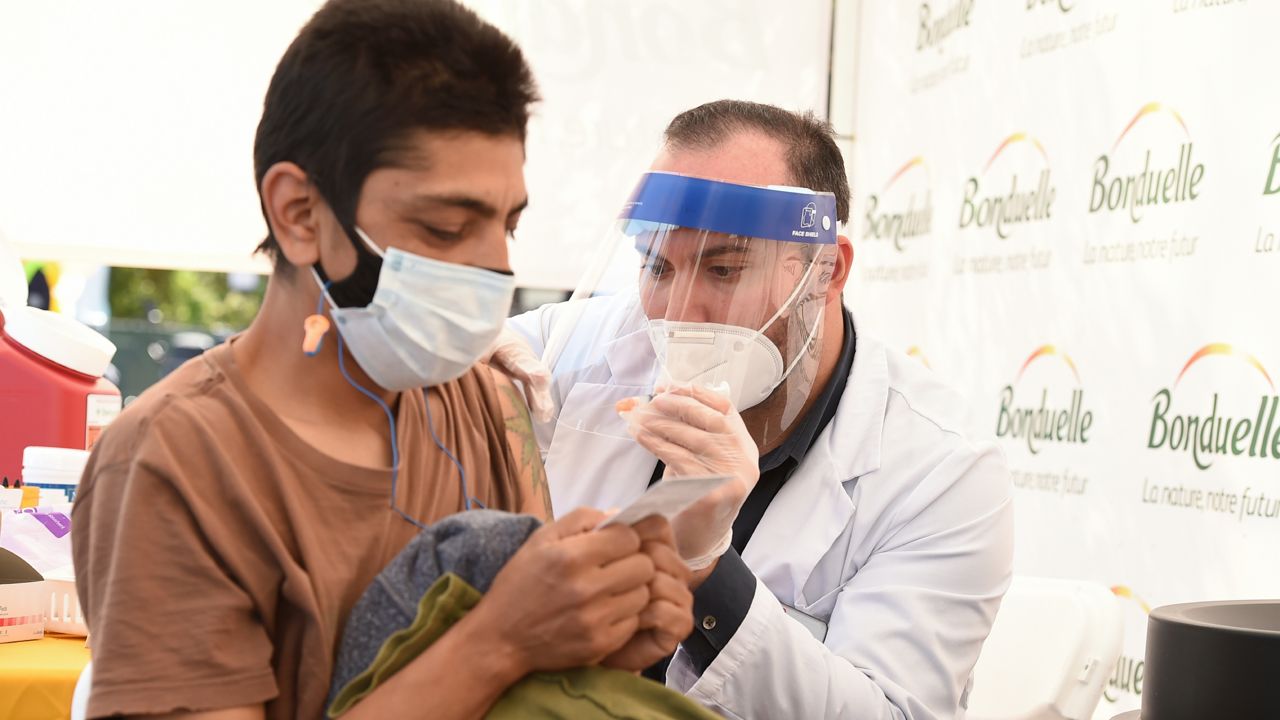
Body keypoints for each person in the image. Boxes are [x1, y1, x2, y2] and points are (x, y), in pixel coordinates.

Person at [71, 2, 695, 718]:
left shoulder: (490, 404)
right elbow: (502, 652)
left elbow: (524, 687)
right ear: (300, 214)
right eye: (446, 227)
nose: (496, 267)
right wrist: (501, 641)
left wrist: (608, 629)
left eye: (509, 224)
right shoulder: (174, 461)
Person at [494, 100, 1016, 719]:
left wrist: (710, 568)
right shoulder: (596, 342)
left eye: (724, 269)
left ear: (828, 271)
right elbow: (470, 367)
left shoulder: (941, 473)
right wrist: (469, 359)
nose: (680, 311)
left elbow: (893, 712)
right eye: (658, 267)